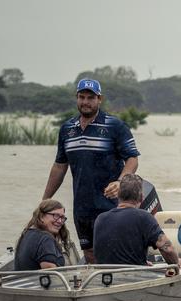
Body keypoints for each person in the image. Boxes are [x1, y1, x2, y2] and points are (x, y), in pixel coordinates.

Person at [42, 79, 140, 264]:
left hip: (111, 206)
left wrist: (120, 182)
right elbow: (59, 166)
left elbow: (132, 159)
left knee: (114, 253)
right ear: (76, 98)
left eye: (90, 98)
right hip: (82, 207)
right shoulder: (67, 129)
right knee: (90, 256)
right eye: (82, 97)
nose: (85, 102)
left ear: (99, 99)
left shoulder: (115, 126)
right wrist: (45, 200)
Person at [93, 174, 180, 266]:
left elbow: (109, 251)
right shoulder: (144, 217)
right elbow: (168, 249)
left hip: (104, 276)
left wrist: (141, 261)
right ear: (142, 197)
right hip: (133, 276)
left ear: (118, 195)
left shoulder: (100, 218)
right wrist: (176, 264)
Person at [14, 199, 73, 271]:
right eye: (56, 215)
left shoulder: (27, 233)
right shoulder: (45, 239)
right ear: (41, 216)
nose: (60, 221)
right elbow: (50, 273)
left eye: (62, 217)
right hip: (37, 281)